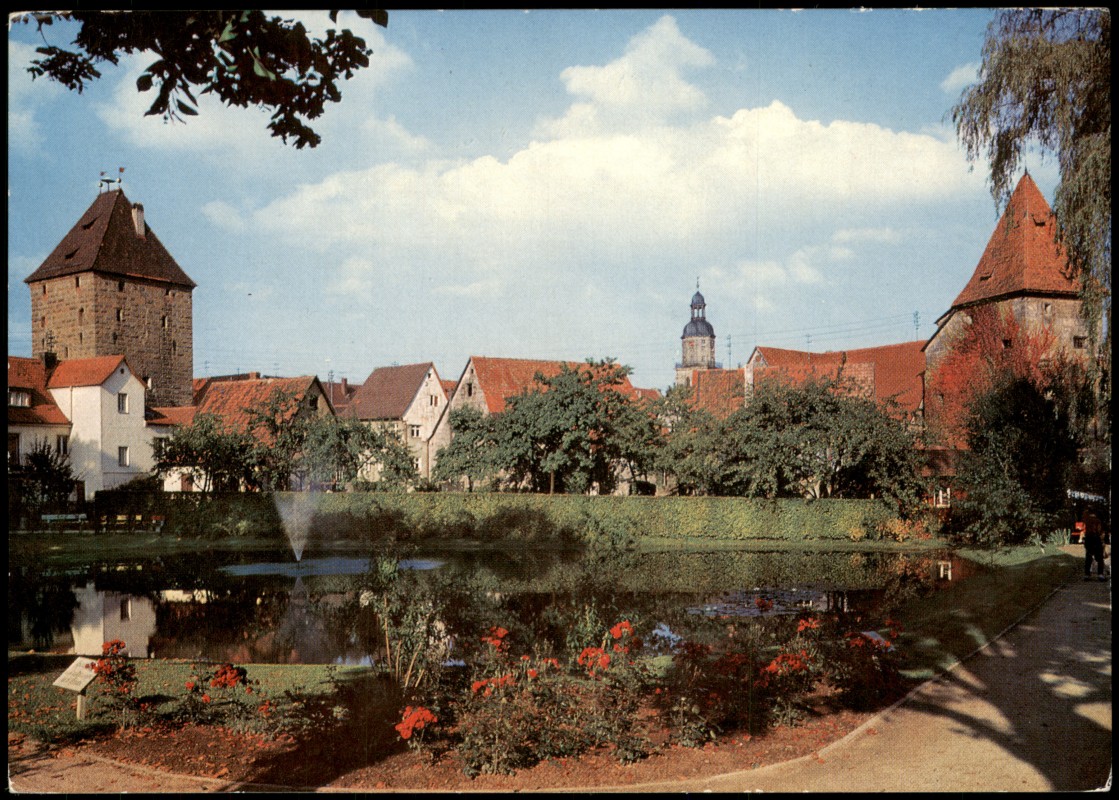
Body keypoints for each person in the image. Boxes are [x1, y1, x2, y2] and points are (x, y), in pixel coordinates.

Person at [1082, 511, 1106, 581]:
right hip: (1096, 538)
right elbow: (1099, 530)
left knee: (1088, 556)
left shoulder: (1086, 521)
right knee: (1100, 557)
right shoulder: (1097, 521)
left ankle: (1087, 574)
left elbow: (1084, 530)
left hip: (1088, 539)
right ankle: (1100, 574)